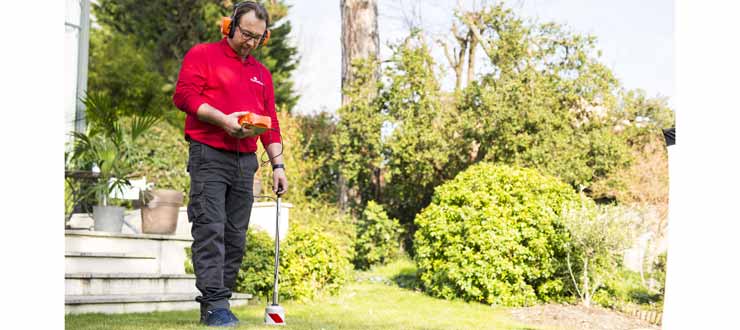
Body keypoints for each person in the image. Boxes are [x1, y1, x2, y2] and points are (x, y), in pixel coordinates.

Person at [172, 1, 288, 326]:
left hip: (245, 161)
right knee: (210, 228)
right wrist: (223, 120)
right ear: (231, 24)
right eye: (246, 33)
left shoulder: (261, 74)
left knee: (236, 235)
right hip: (208, 154)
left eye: (258, 38)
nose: (250, 42)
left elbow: (272, 123)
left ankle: (219, 300)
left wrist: (278, 166)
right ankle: (214, 305)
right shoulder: (202, 55)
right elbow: (184, 96)